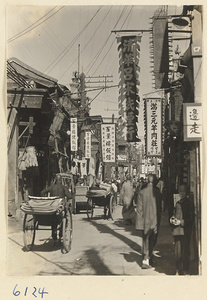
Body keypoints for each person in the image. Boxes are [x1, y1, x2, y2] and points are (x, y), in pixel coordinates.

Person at [135, 174, 162, 269]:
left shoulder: (142, 192)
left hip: (145, 220)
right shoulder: (157, 192)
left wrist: (139, 223)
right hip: (155, 220)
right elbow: (160, 208)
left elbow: (139, 209)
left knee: (145, 239)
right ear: (154, 181)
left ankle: (146, 259)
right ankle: (147, 258)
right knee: (153, 240)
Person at [170, 184, 194, 275]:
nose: (181, 193)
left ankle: (185, 270)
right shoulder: (177, 203)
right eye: (180, 191)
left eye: (183, 191)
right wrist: (172, 219)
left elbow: (191, 219)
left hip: (185, 231)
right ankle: (177, 269)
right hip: (177, 231)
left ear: (186, 192)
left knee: (185, 252)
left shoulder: (189, 203)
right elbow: (174, 213)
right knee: (177, 252)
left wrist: (181, 222)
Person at [41, 174, 72, 245]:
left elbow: (42, 192)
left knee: (53, 221)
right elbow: (69, 196)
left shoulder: (51, 187)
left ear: (55, 180)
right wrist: (72, 194)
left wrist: (46, 200)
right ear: (61, 180)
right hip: (60, 207)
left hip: (53, 207)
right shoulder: (64, 187)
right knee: (64, 218)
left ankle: (54, 238)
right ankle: (61, 235)